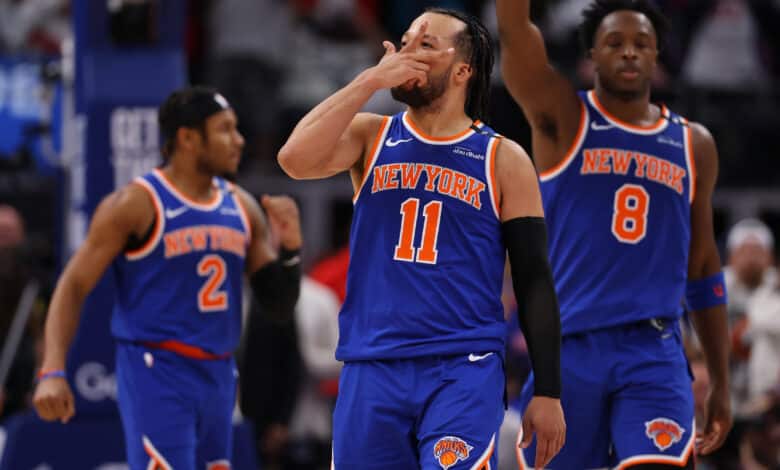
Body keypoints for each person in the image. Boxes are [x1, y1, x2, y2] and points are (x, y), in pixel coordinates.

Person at [279, 8, 565, 469]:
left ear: (462, 70)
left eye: (425, 45)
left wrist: (548, 390)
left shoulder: (503, 158)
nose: (406, 52)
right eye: (406, 40)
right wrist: (368, 82)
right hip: (372, 365)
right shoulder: (372, 136)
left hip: (462, 367)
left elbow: (534, 279)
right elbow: (294, 159)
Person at [496, 0, 733, 468]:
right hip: (568, 349)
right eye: (615, 43)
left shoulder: (693, 144)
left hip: (654, 348)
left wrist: (722, 381)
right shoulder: (562, 118)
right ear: (592, 55)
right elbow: (515, 30)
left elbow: (703, 266)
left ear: (658, 54)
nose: (629, 52)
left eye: (641, 44)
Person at [31, 86, 302, 470]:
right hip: (156, 370)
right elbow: (73, 285)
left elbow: (277, 305)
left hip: (219, 373)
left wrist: (290, 249)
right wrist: (53, 370)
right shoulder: (136, 204)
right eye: (225, 129)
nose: (239, 141)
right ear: (188, 138)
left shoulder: (241, 205)